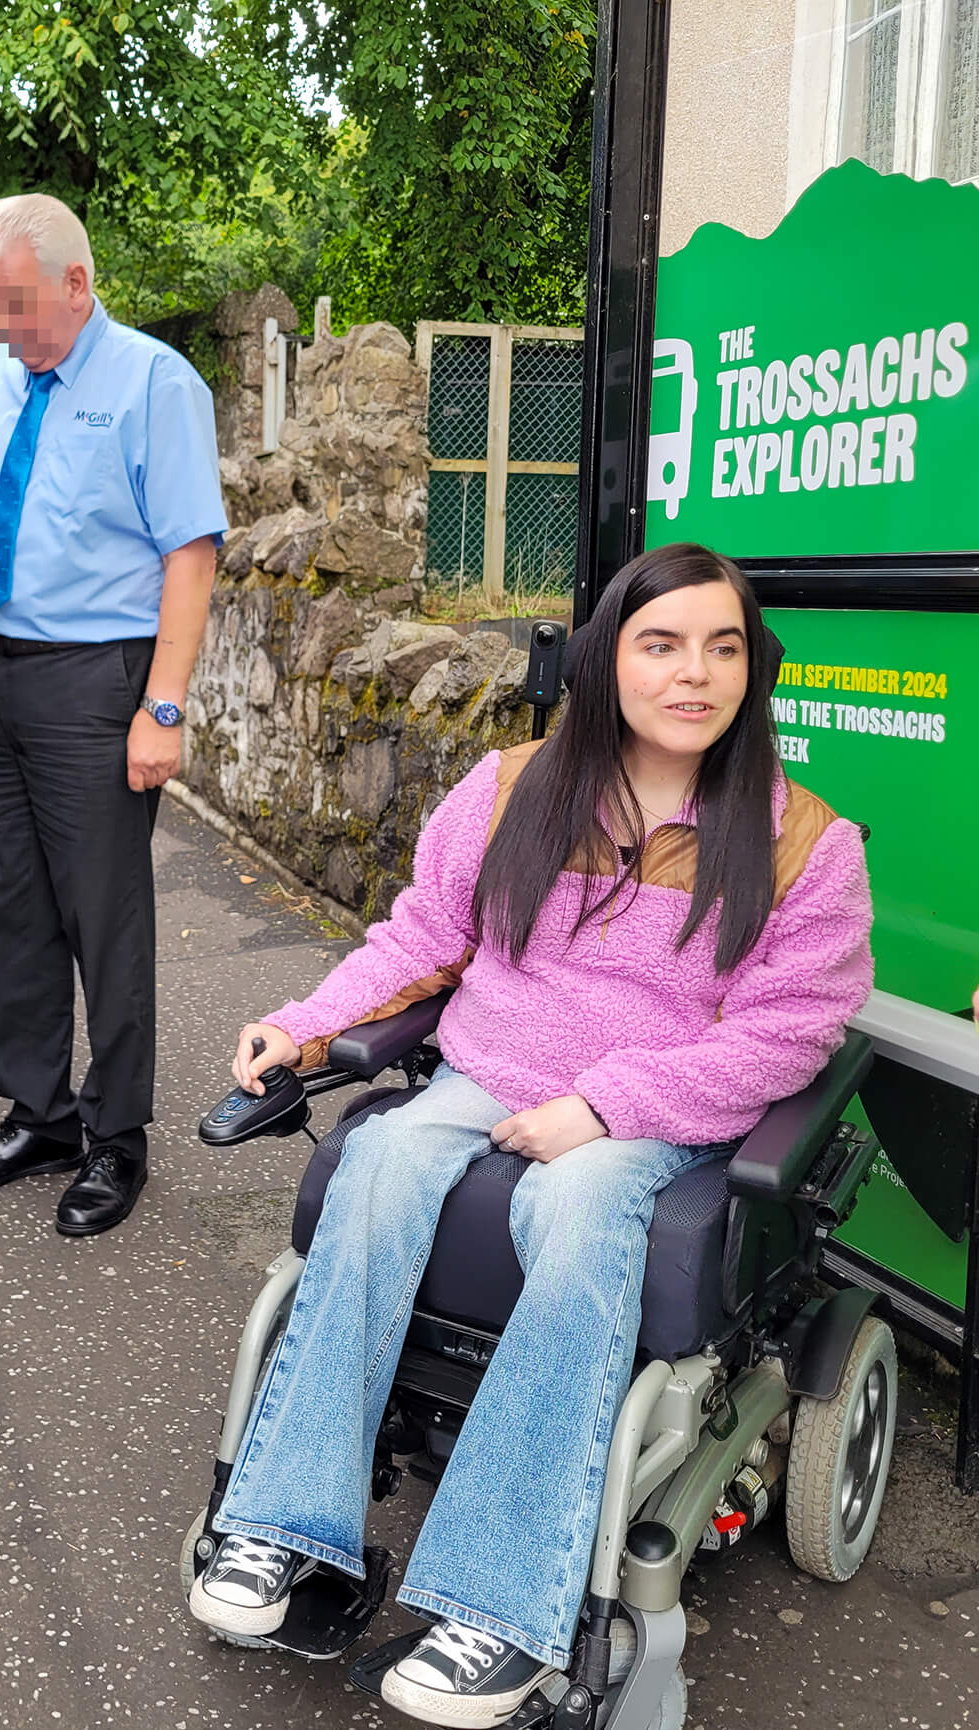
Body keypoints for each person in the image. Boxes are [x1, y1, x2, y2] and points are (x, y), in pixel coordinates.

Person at [188, 544, 874, 1727]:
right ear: (609, 657)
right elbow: (419, 940)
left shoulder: (805, 843)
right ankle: (277, 1527)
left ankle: (501, 1608)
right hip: (483, 1067)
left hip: (651, 1107)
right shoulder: (513, 787)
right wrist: (302, 1031)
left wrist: (607, 1107)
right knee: (381, 1154)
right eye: (661, 643)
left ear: (750, 670)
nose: (693, 673)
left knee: (574, 1200)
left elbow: (784, 1037)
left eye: (722, 647)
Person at [0, 193, 226, 1236]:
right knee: (2, 909)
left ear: (76, 282)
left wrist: (164, 706)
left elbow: (190, 550)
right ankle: (38, 1113)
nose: (2, 328)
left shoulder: (152, 383)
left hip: (94, 682)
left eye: (15, 305)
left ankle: (115, 1137)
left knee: (103, 914)